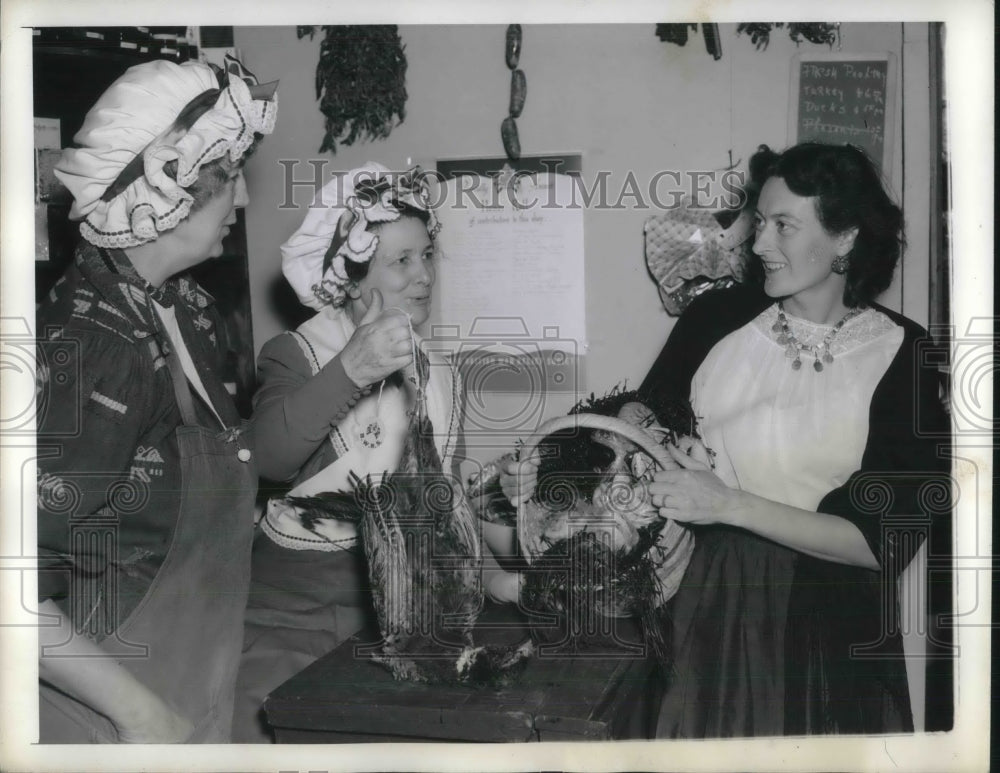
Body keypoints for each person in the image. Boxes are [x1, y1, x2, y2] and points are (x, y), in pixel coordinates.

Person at [506, 142, 950, 736]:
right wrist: (545, 475)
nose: (759, 243)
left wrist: (729, 503)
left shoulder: (904, 353)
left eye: (784, 226)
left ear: (845, 237)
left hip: (826, 628)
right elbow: (625, 444)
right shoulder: (716, 320)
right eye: (760, 222)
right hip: (698, 604)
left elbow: (882, 543)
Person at [36, 55, 277, 743]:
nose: (244, 199)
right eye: (227, 176)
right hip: (110, 726)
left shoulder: (186, 311)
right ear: (163, 184)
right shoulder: (94, 348)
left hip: (191, 701)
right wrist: (141, 714)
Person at [232, 163, 517, 742]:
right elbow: (268, 459)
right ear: (353, 277)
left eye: (427, 255)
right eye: (402, 261)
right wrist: (352, 369)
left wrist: (508, 571)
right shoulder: (299, 353)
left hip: (409, 620)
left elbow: (449, 506)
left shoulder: (442, 375)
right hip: (295, 618)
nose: (425, 276)